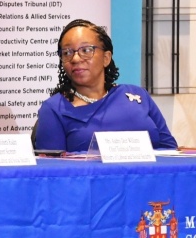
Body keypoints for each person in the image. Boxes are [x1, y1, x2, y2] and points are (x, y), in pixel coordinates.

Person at [33, 19, 176, 152]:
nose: (75, 58)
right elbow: (53, 171)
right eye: (67, 52)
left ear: (106, 58)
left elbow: (170, 151)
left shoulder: (137, 95)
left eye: (86, 50)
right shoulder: (54, 109)